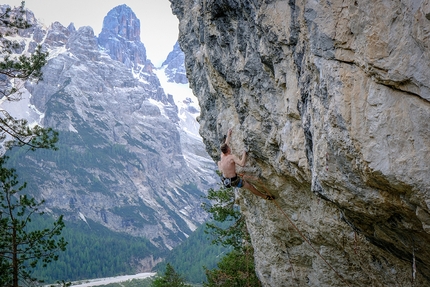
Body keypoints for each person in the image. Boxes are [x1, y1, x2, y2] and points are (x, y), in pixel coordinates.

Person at [217, 129, 275, 200]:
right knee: (251, 187)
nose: (229, 148)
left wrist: (228, 134)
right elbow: (242, 164)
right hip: (235, 181)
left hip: (225, 179)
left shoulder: (222, 155)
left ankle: (225, 171)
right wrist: (245, 152)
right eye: (229, 147)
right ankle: (265, 196)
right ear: (228, 150)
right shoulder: (232, 157)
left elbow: (226, 143)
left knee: (219, 162)